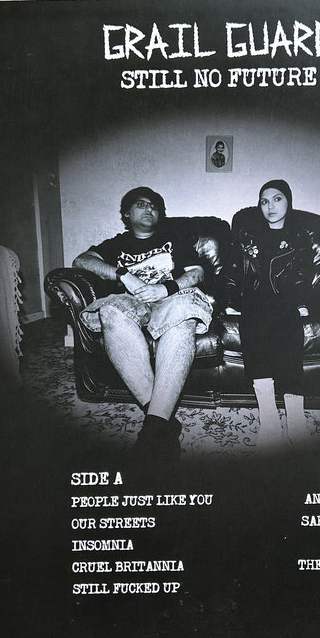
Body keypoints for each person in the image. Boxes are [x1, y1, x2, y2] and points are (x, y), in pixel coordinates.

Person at [73, 187, 212, 459]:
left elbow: (197, 273)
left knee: (183, 314)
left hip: (170, 300)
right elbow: (82, 260)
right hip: (131, 303)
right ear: (126, 214)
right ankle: (161, 422)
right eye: (141, 204)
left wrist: (166, 288)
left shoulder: (174, 239)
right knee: (110, 311)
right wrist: (123, 275)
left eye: (154, 206)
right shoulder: (116, 244)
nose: (149, 208)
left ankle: (153, 430)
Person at [223, 180, 320, 449]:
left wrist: (302, 303)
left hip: (285, 302)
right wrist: (229, 301)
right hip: (252, 301)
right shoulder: (246, 236)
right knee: (256, 313)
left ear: (288, 202)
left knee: (286, 318)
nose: (270, 206)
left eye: (277, 199)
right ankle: (269, 417)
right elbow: (232, 270)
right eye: (264, 201)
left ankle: (295, 415)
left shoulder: (299, 238)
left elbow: (302, 276)